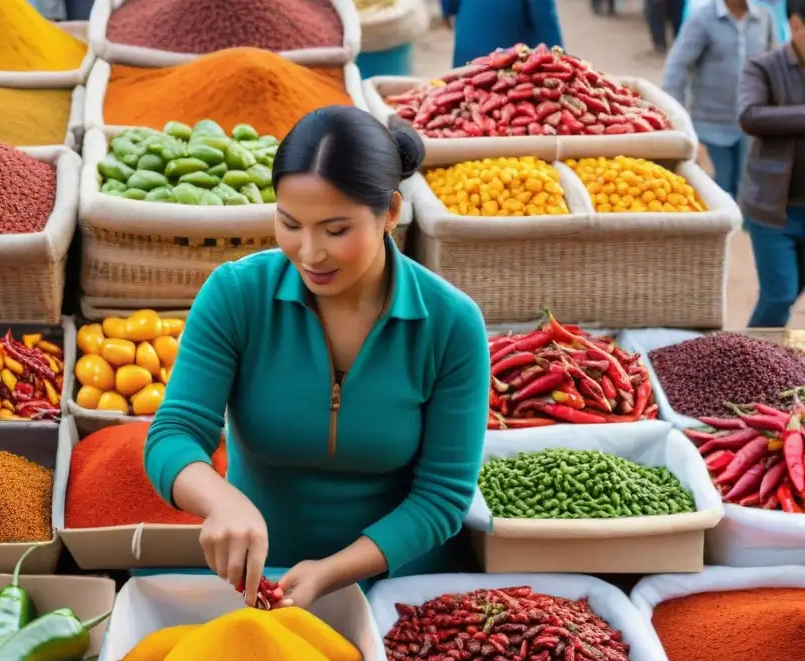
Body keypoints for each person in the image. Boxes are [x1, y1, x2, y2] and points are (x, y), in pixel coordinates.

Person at [143, 107, 489, 609]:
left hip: (397, 588)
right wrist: (220, 501)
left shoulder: (450, 323)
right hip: (255, 580)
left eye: (335, 229)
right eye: (289, 223)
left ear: (390, 212)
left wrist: (334, 573)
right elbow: (173, 433)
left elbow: (443, 498)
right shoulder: (236, 294)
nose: (309, 253)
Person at [662, 0, 776, 200]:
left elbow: (776, 66)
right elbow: (676, 69)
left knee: (750, 194)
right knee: (717, 195)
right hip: (711, 129)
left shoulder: (764, 18)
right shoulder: (703, 19)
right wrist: (679, 125)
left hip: (752, 129)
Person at [739, 0, 805, 326]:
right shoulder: (763, 66)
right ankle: (746, 361)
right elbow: (750, 116)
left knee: (792, 292)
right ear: (795, 25)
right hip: (772, 208)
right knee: (778, 294)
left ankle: (761, 360)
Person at [441, 0, 564, 69]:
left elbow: (450, 4)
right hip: (503, 55)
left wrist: (447, 11)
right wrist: (562, 59)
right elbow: (544, 19)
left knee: (461, 103)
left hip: (466, 49)